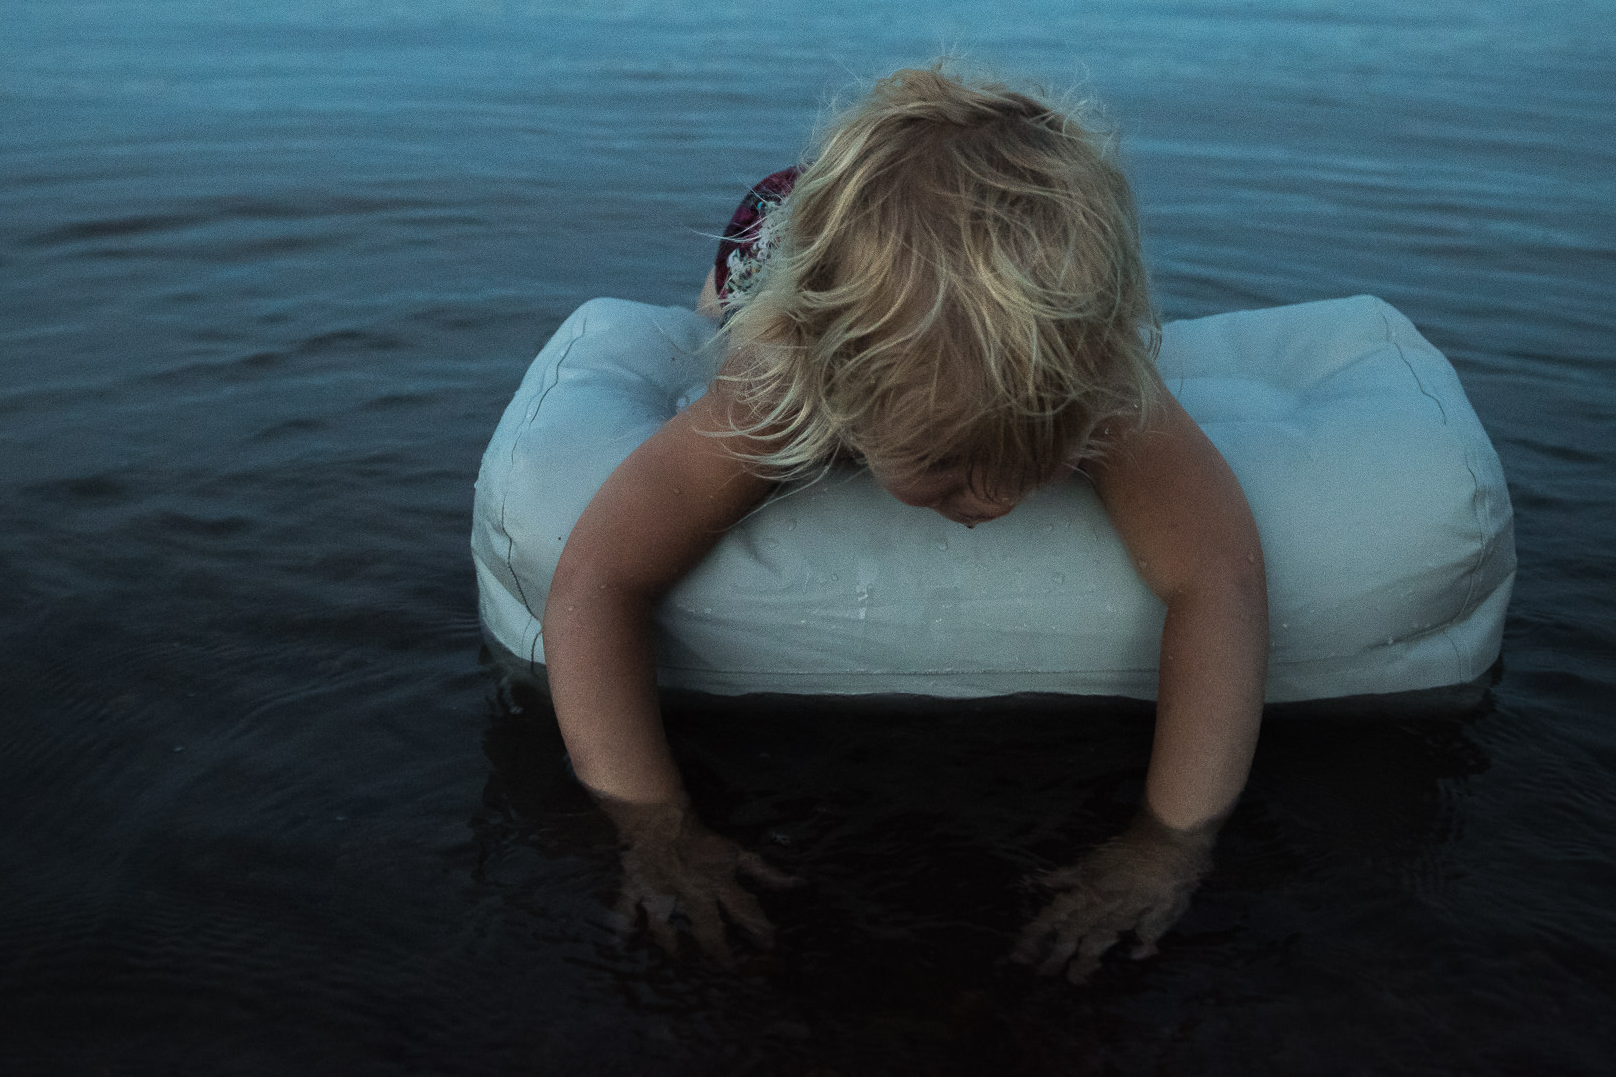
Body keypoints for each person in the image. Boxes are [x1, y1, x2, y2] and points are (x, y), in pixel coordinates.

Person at [540, 65, 1268, 984]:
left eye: (1027, 465)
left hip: (954, 284)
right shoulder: (782, 380)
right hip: (775, 236)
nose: (995, 504)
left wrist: (1169, 843)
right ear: (843, 391)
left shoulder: (1092, 373)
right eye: (949, 472)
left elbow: (1219, 581)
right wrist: (656, 829)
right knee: (725, 310)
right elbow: (599, 580)